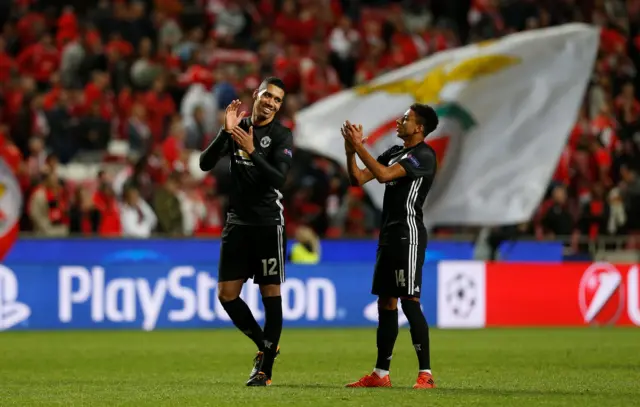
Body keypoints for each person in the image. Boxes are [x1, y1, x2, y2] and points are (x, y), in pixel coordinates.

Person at [199, 77, 293, 387]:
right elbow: (204, 163)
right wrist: (225, 132)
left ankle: (265, 370)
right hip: (237, 223)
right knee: (227, 295)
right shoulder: (236, 127)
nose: (271, 103)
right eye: (268, 95)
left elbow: (278, 179)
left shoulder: (281, 135)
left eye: (278, 100)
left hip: (268, 223)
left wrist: (253, 150)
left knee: (271, 294)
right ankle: (266, 344)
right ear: (257, 94)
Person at [341, 104, 439, 389]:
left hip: (409, 235)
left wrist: (360, 147)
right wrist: (351, 150)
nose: (400, 120)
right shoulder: (396, 152)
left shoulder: (424, 155)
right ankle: (381, 374)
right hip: (388, 236)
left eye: (406, 118)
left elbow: (384, 176)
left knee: (410, 301)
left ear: (419, 128)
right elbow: (357, 178)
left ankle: (426, 374)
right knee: (386, 302)